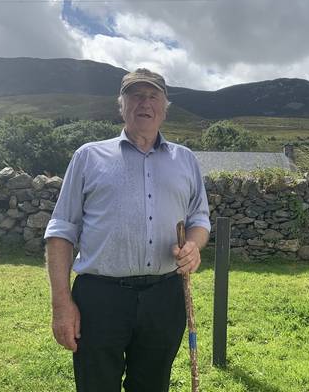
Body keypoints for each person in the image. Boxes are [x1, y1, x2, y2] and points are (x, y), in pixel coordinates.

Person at [44, 68, 211, 392]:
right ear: (121, 105)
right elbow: (61, 230)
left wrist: (193, 246)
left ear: (165, 107)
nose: (144, 103)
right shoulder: (89, 157)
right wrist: (61, 305)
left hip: (165, 297)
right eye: (135, 95)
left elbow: (199, 220)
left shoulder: (186, 160)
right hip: (99, 298)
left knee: (152, 385)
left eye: (153, 96)